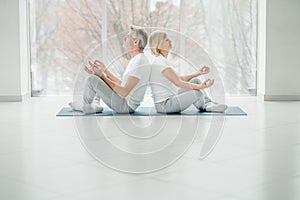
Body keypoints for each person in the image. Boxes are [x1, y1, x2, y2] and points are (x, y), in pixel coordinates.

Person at [69, 25, 150, 114]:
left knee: (91, 79)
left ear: (136, 42)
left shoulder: (139, 62)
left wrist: (102, 76)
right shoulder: (137, 59)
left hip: (125, 106)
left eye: (128, 37)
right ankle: (94, 105)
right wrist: (105, 71)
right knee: (95, 77)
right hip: (123, 102)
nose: (125, 38)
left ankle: (85, 105)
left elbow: (124, 92)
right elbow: (121, 84)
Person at [148, 31, 227, 113]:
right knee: (197, 93)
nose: (170, 41)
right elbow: (178, 83)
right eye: (167, 40)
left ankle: (208, 103)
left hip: (171, 96)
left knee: (195, 81)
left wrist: (198, 73)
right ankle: (205, 107)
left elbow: (180, 78)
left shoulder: (162, 60)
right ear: (159, 44)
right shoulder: (160, 62)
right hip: (165, 105)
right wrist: (201, 87)